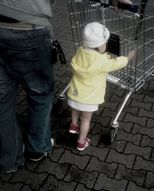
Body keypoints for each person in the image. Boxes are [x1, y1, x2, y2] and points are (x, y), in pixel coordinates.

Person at [0, 0, 55, 173]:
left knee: (2, 100)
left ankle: (8, 159)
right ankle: (37, 148)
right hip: (30, 26)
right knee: (40, 94)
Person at [67, 22, 135, 151]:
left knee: (75, 109)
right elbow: (115, 63)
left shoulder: (80, 50)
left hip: (75, 92)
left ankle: (74, 124)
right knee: (86, 120)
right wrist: (127, 58)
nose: (106, 45)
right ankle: (81, 142)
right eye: (105, 42)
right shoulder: (102, 61)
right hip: (89, 97)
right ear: (99, 46)